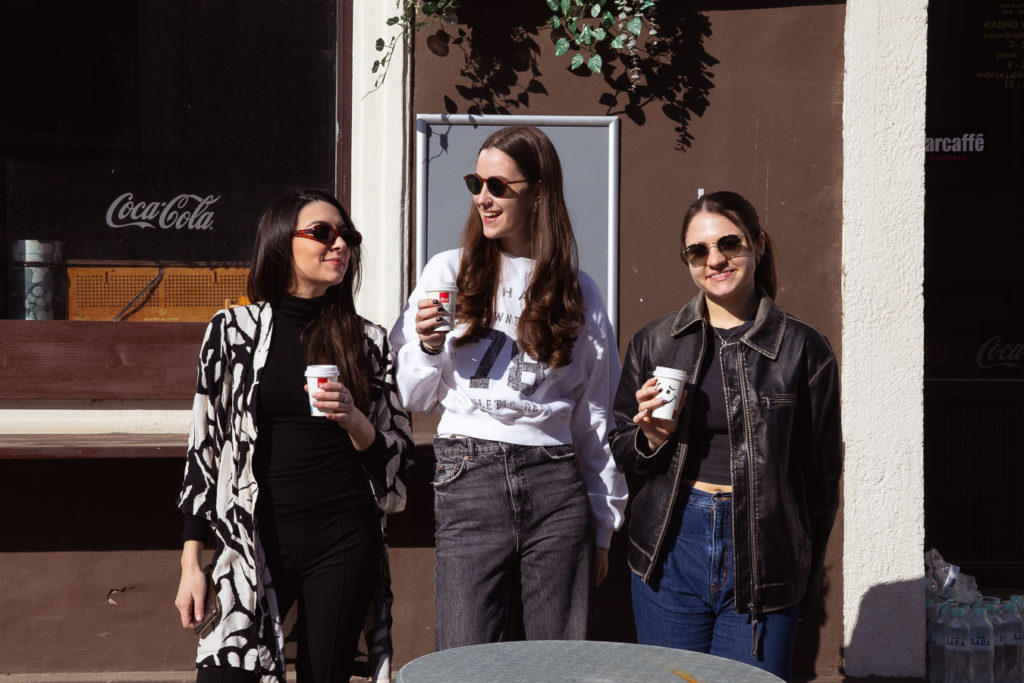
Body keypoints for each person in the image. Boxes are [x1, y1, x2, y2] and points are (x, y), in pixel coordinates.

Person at [389, 125, 627, 649]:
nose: (483, 198)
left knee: (556, 660)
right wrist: (427, 344)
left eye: (498, 186)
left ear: (538, 192)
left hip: (556, 478)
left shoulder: (578, 289)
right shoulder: (448, 270)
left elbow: (593, 414)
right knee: (465, 657)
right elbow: (414, 396)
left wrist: (603, 522)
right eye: (475, 183)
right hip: (468, 472)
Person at [174, 189, 413, 683]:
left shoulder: (368, 342)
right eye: (323, 233)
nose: (339, 244)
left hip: (343, 538)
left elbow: (397, 461)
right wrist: (191, 562)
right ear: (282, 241)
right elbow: (204, 449)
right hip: (253, 539)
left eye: (347, 236)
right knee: (225, 675)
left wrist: (354, 419)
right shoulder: (232, 333)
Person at [609, 190, 842, 681]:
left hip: (763, 553)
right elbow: (621, 449)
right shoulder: (655, 342)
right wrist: (650, 438)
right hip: (671, 548)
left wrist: (799, 571)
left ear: (758, 244)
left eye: (729, 244)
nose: (714, 260)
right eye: (698, 251)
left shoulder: (804, 349)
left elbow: (821, 480)